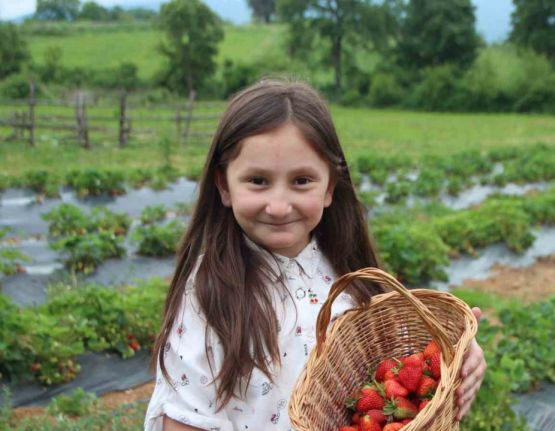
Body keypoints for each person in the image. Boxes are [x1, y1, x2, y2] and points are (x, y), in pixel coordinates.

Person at [144, 79, 486, 431]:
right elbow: (185, 421)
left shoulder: (349, 275)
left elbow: (399, 362)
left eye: (302, 180)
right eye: (258, 181)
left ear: (329, 188)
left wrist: (459, 358)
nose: (278, 206)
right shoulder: (208, 295)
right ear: (223, 185)